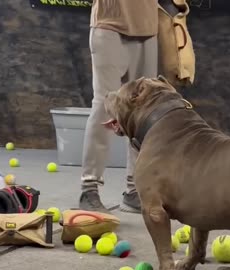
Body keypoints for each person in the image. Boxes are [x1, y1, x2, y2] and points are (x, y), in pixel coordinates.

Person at [79, 0, 158, 214]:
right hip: (108, 24)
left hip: (148, 27)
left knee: (142, 111)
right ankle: (89, 187)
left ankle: (134, 191)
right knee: (105, 105)